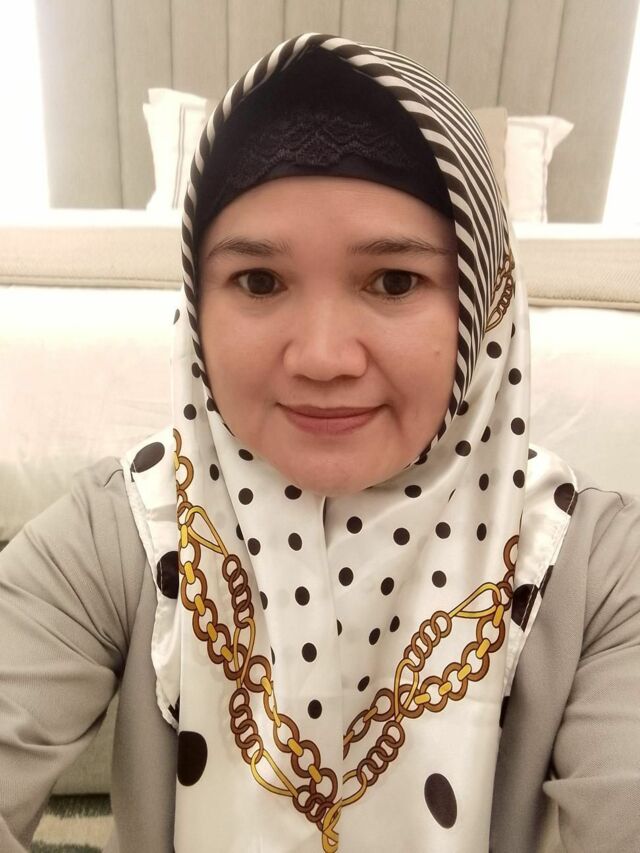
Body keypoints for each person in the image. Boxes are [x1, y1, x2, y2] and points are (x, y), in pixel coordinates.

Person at [1, 33, 639, 853]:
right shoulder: (123, 528)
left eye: (394, 281)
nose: (323, 357)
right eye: (259, 281)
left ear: (483, 301)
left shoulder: (591, 566)